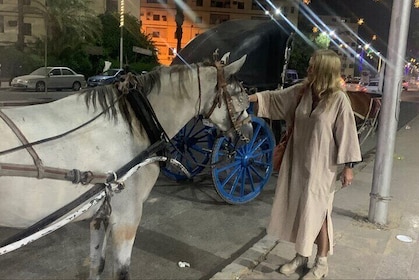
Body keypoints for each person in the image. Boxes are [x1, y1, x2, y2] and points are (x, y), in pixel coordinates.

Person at [248, 49, 362, 279]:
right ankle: (301, 256)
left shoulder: (338, 99)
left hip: (323, 166)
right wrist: (247, 98)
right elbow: (275, 98)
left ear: (324, 70)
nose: (308, 69)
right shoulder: (303, 92)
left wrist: (348, 167)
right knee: (301, 209)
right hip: (297, 162)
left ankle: (322, 263)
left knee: (318, 213)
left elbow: (348, 134)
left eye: (312, 66)